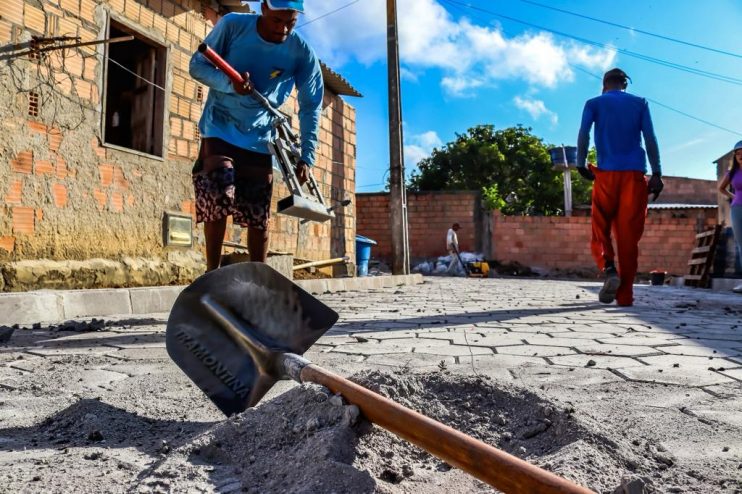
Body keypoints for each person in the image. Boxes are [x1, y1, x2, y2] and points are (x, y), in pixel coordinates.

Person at [189, 0, 323, 271]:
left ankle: (258, 280)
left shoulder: (301, 52)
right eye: (277, 21)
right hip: (220, 126)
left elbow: (311, 106)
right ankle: (212, 273)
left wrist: (307, 157)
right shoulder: (233, 26)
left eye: (291, 22)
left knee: (257, 215)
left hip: (261, 138)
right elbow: (197, 65)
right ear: (264, 8)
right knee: (218, 195)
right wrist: (230, 84)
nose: (283, 29)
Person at [576, 68, 664, 306]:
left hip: (606, 175)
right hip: (634, 176)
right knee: (628, 239)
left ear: (605, 85)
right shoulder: (640, 103)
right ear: (625, 84)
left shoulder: (594, 103)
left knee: (600, 227)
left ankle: (608, 268)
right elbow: (650, 138)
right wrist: (657, 173)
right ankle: (625, 297)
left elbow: (583, 133)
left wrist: (580, 162)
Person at [718, 140, 742, 293]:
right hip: (737, 209)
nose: (741, 156)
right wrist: (735, 197)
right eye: (738, 153)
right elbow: (721, 188)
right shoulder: (731, 172)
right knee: (741, 245)